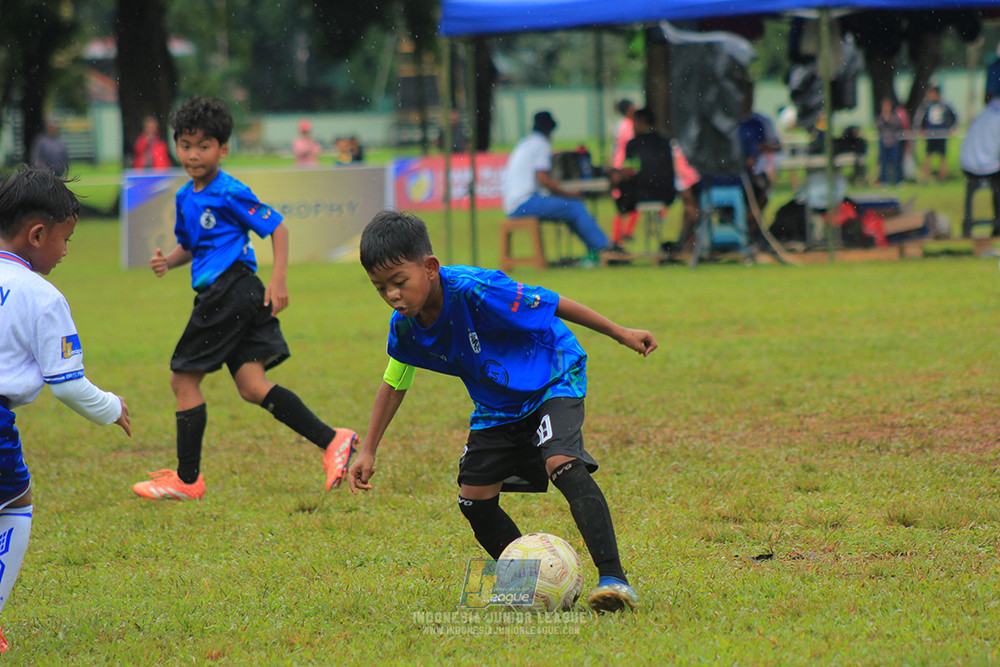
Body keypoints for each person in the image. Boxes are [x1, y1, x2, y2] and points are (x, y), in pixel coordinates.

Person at [349, 210, 657, 613]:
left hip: (551, 376)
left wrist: (621, 332)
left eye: (399, 283)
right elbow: (394, 381)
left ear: (429, 267)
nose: (392, 295)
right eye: (380, 288)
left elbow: (553, 302)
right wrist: (369, 448)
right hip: (497, 406)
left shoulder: (479, 288)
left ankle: (615, 579)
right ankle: (528, 582)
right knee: (473, 500)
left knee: (562, 461)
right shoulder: (405, 326)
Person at [131, 96, 358, 501]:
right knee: (253, 386)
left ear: (223, 149)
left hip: (231, 291)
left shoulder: (230, 192)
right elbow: (191, 246)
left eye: (204, 146)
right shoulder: (185, 197)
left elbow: (279, 229)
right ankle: (333, 440)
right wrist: (170, 260)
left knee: (183, 379)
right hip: (230, 293)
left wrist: (280, 279)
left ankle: (186, 481)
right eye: (185, 145)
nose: (193, 154)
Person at [0, 166, 131, 651]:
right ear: (38, 234)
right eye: (66, 238)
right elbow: (69, 386)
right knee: (14, 503)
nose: (66, 251)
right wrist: (111, 407)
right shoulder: (41, 295)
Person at [501, 111, 620, 264]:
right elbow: (543, 178)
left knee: (568, 207)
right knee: (574, 207)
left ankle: (595, 249)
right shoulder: (541, 145)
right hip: (525, 202)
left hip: (513, 203)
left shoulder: (525, 143)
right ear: (550, 130)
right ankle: (605, 248)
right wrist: (569, 194)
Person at [608, 108, 677, 244]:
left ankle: (617, 241)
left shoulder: (633, 144)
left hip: (640, 195)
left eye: (634, 122)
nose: (632, 126)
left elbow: (629, 171)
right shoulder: (666, 142)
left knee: (621, 193)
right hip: (667, 195)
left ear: (642, 123)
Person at [959, 97, 1000, 237]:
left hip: (967, 163)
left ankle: (969, 226)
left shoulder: (985, 112)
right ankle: (998, 224)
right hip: (984, 166)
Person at [915, 86, 957, 182]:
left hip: (941, 134)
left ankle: (942, 177)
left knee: (942, 157)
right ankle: (926, 177)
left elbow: (953, 116)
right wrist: (921, 130)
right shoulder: (927, 106)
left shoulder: (945, 105)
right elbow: (923, 119)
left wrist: (952, 127)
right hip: (931, 134)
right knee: (928, 156)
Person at [875, 98, 903, 186]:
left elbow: (897, 126)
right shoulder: (880, 118)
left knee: (896, 162)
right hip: (883, 142)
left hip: (893, 142)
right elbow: (878, 127)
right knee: (883, 163)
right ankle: (884, 181)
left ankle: (898, 180)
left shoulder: (894, 117)